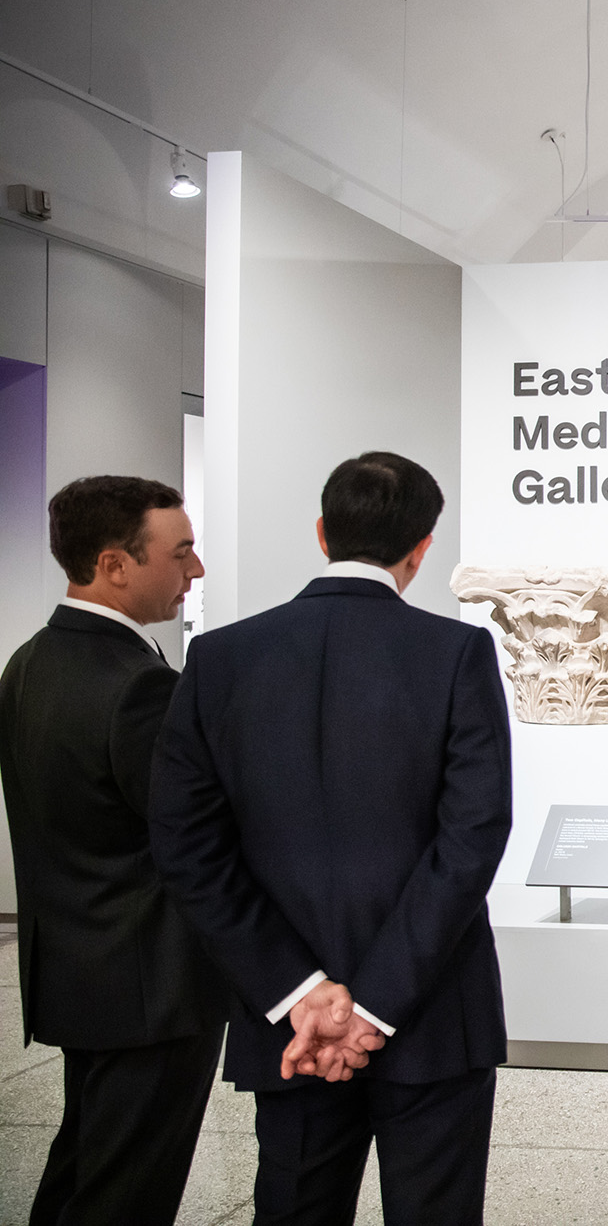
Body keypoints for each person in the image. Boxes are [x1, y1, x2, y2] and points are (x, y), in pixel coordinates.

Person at [149, 452, 513, 1225]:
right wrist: (372, 1004)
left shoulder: (218, 659)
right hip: (433, 1011)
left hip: (286, 1021)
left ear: (321, 532)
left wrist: (302, 993)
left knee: (295, 1206)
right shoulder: (455, 654)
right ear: (422, 546)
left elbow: (187, 845)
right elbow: (472, 839)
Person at [0, 476, 227, 1225]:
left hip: (72, 975)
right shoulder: (140, 687)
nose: (195, 570)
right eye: (182, 551)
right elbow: (193, 835)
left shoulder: (26, 663)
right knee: (127, 1194)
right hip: (150, 991)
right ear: (115, 565)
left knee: (83, 1170)